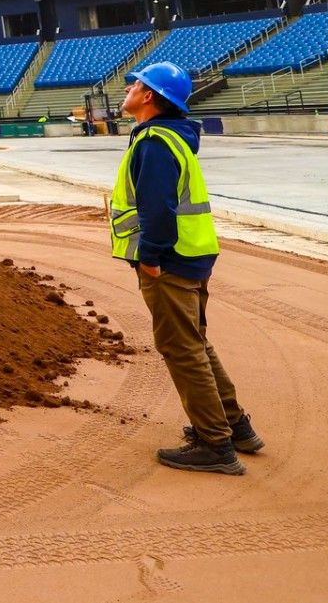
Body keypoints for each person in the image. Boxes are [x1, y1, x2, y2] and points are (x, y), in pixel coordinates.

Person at [111, 61, 262, 475]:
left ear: (148, 96)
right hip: (192, 254)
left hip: (171, 261)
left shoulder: (155, 142)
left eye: (136, 84)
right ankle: (236, 428)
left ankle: (216, 445)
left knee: (182, 349)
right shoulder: (171, 137)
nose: (128, 89)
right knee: (195, 343)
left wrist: (152, 257)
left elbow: (158, 208)